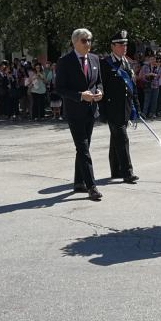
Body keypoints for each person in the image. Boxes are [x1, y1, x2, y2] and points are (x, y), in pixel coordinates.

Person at [56, 28, 104, 201]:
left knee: (84, 147)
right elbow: (59, 88)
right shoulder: (65, 61)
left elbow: (98, 82)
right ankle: (91, 186)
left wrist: (99, 92)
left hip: (91, 110)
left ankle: (78, 182)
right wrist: (79, 96)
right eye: (84, 40)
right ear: (75, 42)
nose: (88, 44)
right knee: (83, 148)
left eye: (90, 40)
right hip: (74, 111)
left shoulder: (94, 59)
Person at [99, 29, 140, 183]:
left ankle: (115, 170)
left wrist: (137, 106)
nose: (124, 48)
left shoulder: (125, 62)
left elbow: (131, 88)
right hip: (112, 109)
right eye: (121, 45)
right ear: (113, 46)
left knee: (115, 139)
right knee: (122, 139)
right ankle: (127, 172)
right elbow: (101, 87)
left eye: (125, 45)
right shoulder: (105, 63)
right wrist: (102, 111)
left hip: (126, 108)